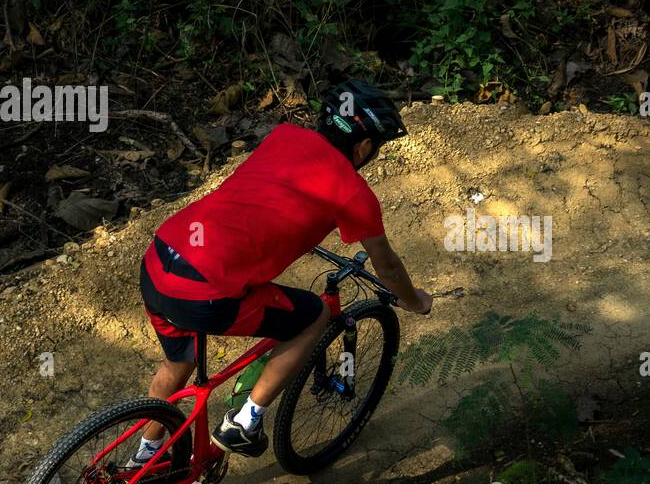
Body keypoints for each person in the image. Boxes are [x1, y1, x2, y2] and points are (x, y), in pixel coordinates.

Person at [129, 80, 432, 463]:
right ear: (365, 147)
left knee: (178, 361)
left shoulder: (284, 135)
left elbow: (268, 195)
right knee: (314, 315)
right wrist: (414, 300)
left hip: (159, 259)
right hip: (205, 289)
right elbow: (386, 266)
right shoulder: (354, 193)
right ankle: (245, 421)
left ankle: (146, 456)